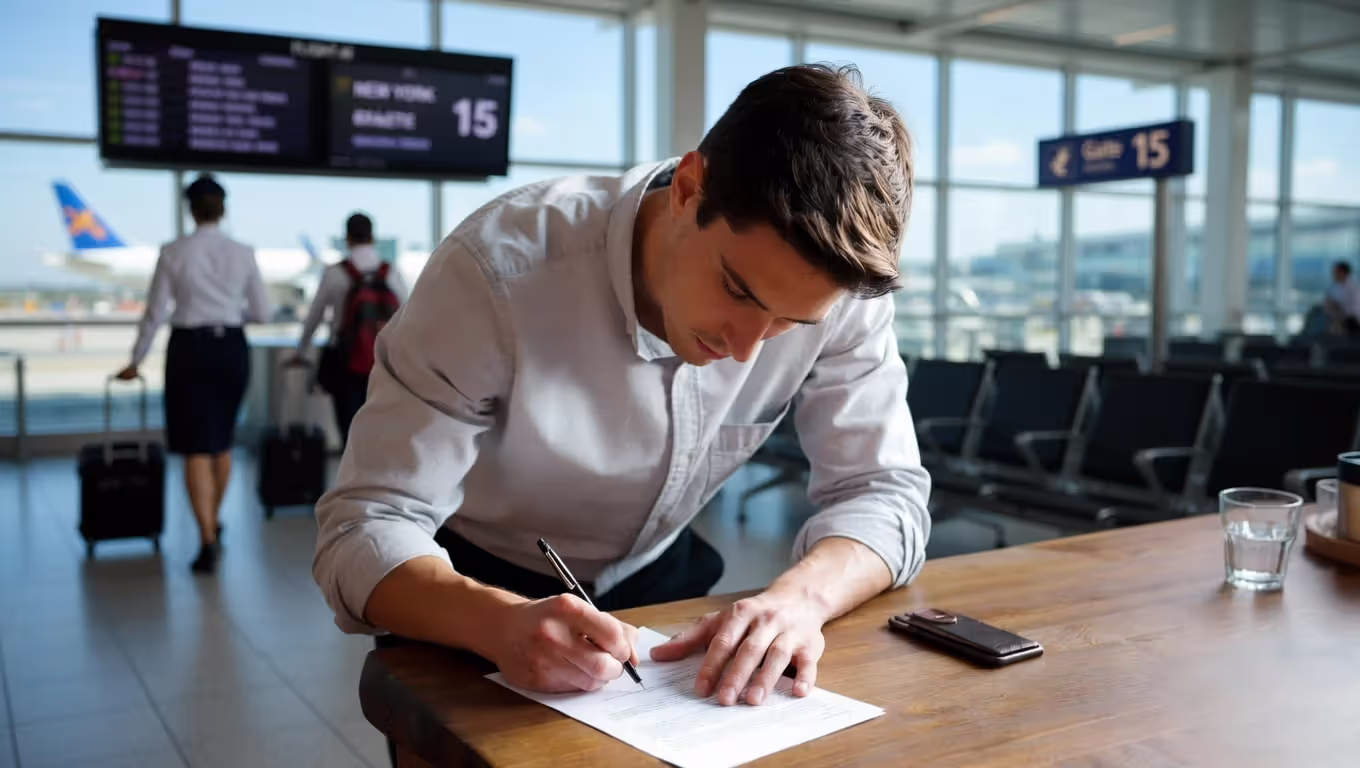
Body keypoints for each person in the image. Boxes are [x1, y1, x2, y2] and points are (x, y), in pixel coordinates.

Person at [313, 64, 930, 711]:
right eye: (738, 291)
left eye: (790, 323)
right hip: (471, 583)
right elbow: (365, 523)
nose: (747, 349)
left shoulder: (839, 293)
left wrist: (801, 599)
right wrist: (492, 621)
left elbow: (883, 490)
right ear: (689, 188)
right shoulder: (494, 270)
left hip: (660, 580)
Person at [117, 174, 271, 574]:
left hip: (189, 348)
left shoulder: (173, 251)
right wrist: (227, 312)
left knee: (194, 448)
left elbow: (154, 312)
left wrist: (136, 359)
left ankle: (205, 539)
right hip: (232, 348)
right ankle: (213, 523)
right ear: (223, 209)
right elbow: (262, 313)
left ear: (190, 208)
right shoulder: (243, 252)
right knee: (221, 443)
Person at [292, 213, 408, 444]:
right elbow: (408, 316)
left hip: (345, 362)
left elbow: (314, 316)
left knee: (350, 432)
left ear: (347, 238)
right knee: (380, 431)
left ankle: (353, 478)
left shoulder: (336, 273)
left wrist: (300, 351)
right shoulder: (390, 272)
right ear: (372, 237)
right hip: (383, 364)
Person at [1324, 261, 1360, 336]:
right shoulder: (1333, 287)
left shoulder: (1353, 288)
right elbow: (1327, 301)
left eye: (1336, 272)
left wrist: (1337, 308)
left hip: (1351, 320)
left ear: (1343, 272)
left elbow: (1353, 310)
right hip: (1335, 317)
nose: (1333, 274)